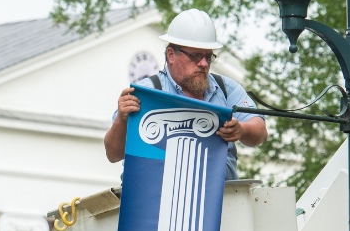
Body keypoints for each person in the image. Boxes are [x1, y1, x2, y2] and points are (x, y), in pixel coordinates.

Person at [104, 9, 267, 180]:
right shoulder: (145, 92)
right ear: (171, 55)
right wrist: (122, 120)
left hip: (222, 200)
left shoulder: (226, 89)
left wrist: (242, 130)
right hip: (155, 202)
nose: (204, 63)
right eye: (195, 56)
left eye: (208, 57)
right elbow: (113, 154)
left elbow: (260, 132)